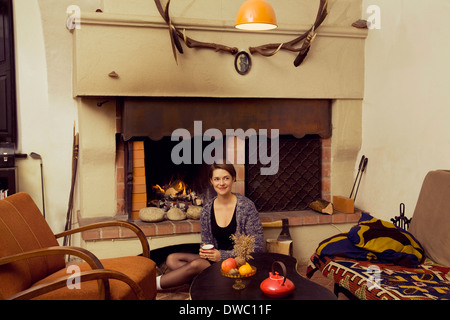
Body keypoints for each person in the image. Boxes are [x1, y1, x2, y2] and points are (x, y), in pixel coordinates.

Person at [156, 163, 264, 290]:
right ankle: (205, 282)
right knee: (172, 259)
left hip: (238, 265)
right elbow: (206, 243)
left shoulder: (246, 207)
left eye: (226, 178)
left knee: (196, 265)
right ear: (211, 181)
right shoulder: (207, 210)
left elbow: (257, 249)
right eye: (217, 179)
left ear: (233, 179)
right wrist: (205, 251)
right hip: (214, 262)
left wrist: (222, 255)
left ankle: (152, 285)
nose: (221, 183)